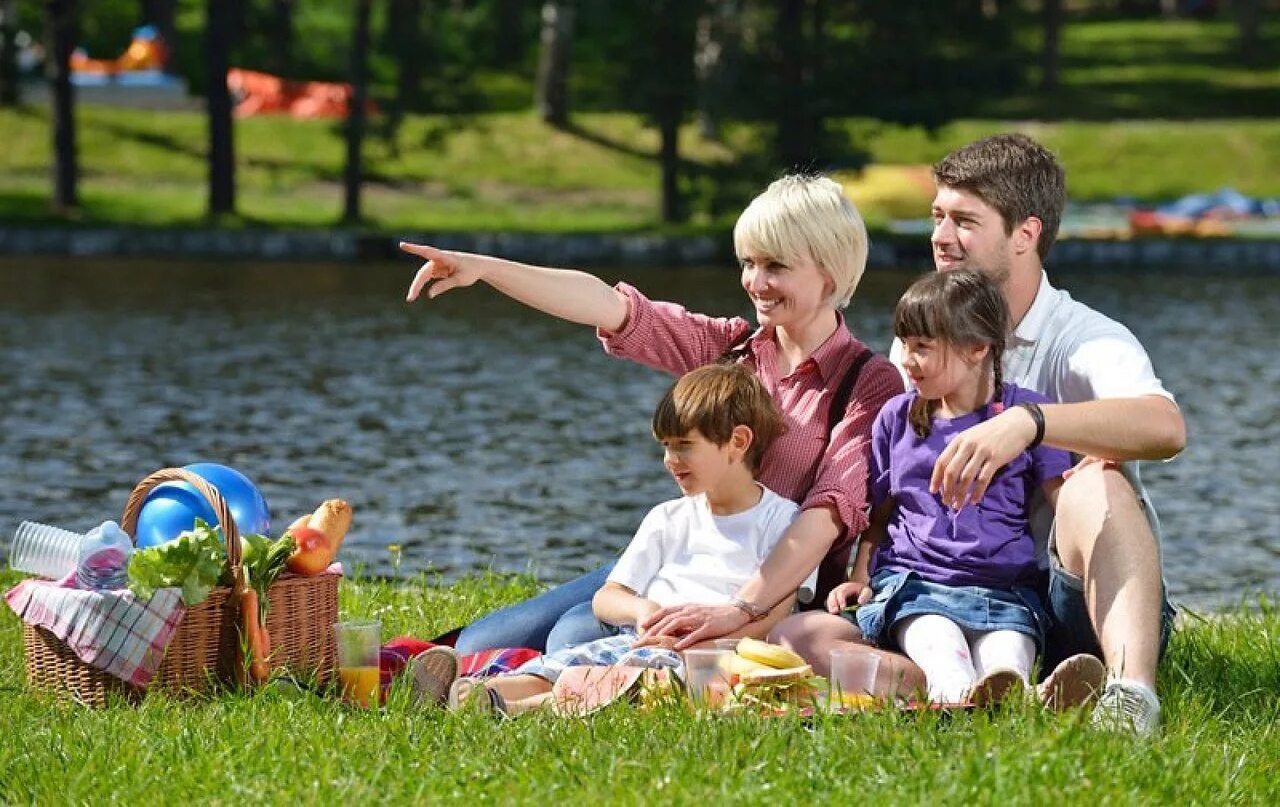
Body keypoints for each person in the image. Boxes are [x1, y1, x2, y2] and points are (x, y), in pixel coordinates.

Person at [780, 133, 1183, 733]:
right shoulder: (924, 337)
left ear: (1026, 234)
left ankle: (1129, 693)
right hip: (938, 588)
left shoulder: (1086, 338)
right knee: (806, 635)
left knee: (1096, 481)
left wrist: (1029, 422)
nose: (941, 236)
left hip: (1068, 602)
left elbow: (1166, 427)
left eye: (965, 220)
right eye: (937, 216)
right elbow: (896, 488)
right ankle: (953, 685)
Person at [401, 175, 903, 655]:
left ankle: (553, 689)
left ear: (830, 273)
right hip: (684, 561)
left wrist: (738, 608)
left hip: (771, 589)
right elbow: (610, 307)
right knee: (476, 644)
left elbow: (826, 516)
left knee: (574, 636)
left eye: (775, 266)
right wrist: (485, 269)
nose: (754, 281)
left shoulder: (867, 381)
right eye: (748, 262)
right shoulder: (730, 349)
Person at [409, 363, 817, 714]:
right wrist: (642, 610)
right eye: (665, 447)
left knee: (618, 682)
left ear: (738, 442)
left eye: (684, 446)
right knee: (560, 668)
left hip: (708, 658)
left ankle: (508, 710)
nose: (670, 460)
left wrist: (706, 643)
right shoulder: (668, 517)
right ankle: (469, 694)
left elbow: (775, 614)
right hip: (638, 639)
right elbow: (608, 596)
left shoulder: (783, 521)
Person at [821, 268, 1075, 705]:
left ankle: (1020, 697)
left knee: (1006, 660)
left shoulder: (1027, 414)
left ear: (978, 347)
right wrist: (860, 577)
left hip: (1006, 592)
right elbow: (881, 515)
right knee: (941, 651)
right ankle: (969, 698)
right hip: (918, 587)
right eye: (905, 345)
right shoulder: (896, 418)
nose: (905, 359)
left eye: (922, 348)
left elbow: (1065, 501)